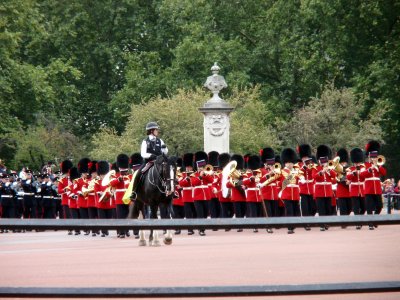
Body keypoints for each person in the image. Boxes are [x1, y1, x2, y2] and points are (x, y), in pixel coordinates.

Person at [360, 140, 386, 229]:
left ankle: (374, 220)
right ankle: (370, 223)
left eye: (375, 156)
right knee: (369, 207)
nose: (374, 158)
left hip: (377, 189)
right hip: (368, 189)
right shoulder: (365, 165)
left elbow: (384, 172)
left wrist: (378, 166)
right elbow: (362, 175)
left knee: (379, 206)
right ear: (369, 156)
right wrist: (370, 169)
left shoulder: (379, 165)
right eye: (373, 156)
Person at [312, 145, 336, 231]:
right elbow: (314, 176)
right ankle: (322, 224)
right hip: (319, 191)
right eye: (322, 160)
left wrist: (328, 170)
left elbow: (334, 175)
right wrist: (322, 171)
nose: (323, 162)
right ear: (319, 160)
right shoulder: (316, 168)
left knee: (328, 208)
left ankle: (326, 223)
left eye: (325, 160)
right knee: (321, 209)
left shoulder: (329, 168)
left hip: (328, 191)